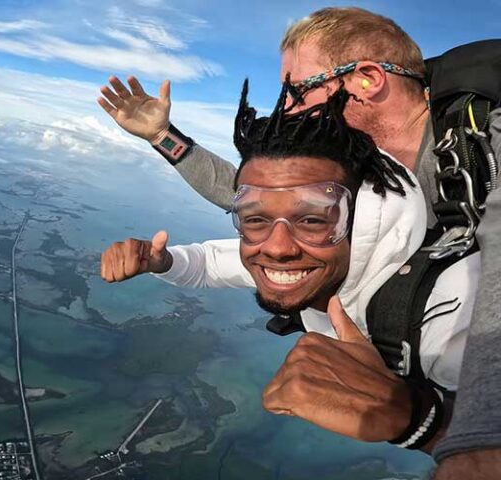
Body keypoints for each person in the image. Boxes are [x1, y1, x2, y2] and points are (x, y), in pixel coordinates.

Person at [98, 6, 501, 473]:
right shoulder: (369, 171)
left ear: (367, 80)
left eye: (296, 90)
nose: (286, 108)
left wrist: (472, 441)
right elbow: (262, 199)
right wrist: (164, 137)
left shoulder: (484, 132)